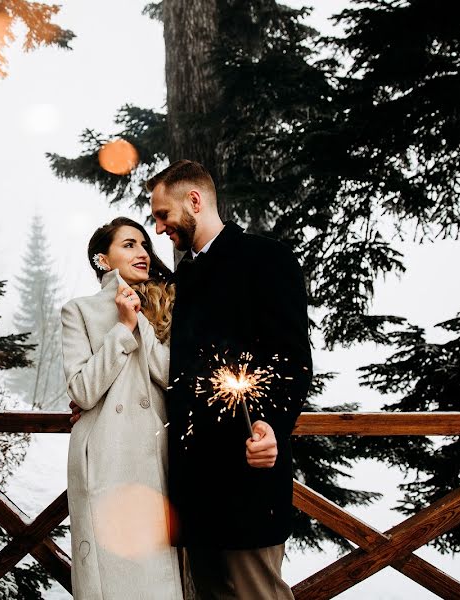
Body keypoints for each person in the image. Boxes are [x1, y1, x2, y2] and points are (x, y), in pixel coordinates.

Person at [147, 159, 312, 599]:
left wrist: (272, 426)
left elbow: (293, 359)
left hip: (247, 475)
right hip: (193, 484)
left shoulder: (266, 259)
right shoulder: (185, 277)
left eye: (163, 214)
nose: (160, 229)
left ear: (194, 201)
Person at [61, 217, 183, 599]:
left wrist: (140, 323)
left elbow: (171, 376)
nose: (143, 253)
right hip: (104, 456)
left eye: (145, 245)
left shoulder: (165, 306)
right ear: (102, 258)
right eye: (129, 244)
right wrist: (121, 329)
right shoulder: (78, 311)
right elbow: (82, 391)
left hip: (156, 457)